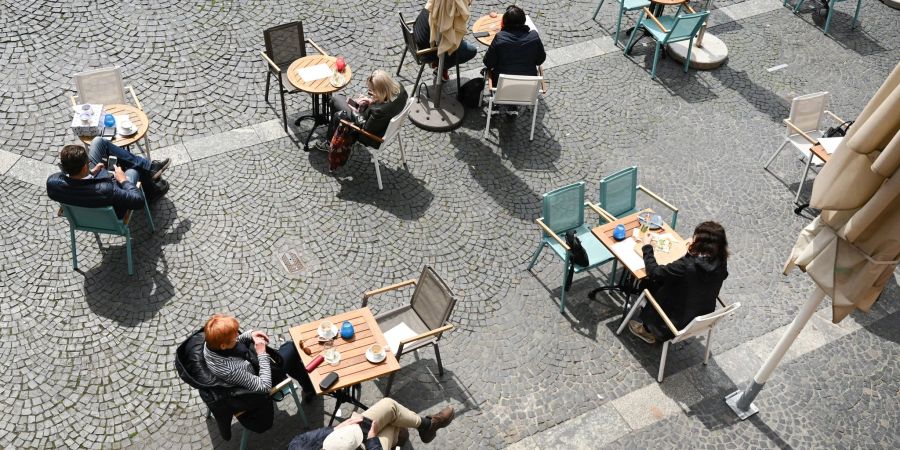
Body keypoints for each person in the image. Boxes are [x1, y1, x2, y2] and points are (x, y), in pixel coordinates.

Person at [628, 221, 730, 344]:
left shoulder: (686, 265)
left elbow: (654, 272)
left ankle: (647, 330)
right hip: (700, 316)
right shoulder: (721, 261)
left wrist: (647, 247)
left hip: (674, 320)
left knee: (646, 283)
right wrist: (690, 255)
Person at [202, 314, 316, 402]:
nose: (238, 335)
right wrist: (262, 354)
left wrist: (250, 334)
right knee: (290, 348)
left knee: (290, 356)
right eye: (235, 335)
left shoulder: (210, 345)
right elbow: (264, 387)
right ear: (223, 345)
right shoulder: (231, 370)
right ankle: (309, 388)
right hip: (259, 380)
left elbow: (233, 342)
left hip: (250, 364)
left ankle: (308, 388)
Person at [46, 138, 170, 218]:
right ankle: (151, 190)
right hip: (107, 208)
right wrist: (123, 180)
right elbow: (138, 201)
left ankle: (149, 167)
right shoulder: (107, 189)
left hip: (86, 189)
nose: (90, 162)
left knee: (98, 142)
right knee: (133, 170)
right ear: (84, 167)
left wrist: (91, 173)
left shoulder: (53, 184)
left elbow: (75, 183)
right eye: (88, 162)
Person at [287, 398, 455, 450]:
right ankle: (402, 436)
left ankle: (427, 425)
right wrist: (372, 440)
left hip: (342, 437)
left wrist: (336, 429)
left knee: (390, 407)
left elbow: (298, 441)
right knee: (392, 424)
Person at [321, 70, 409, 150]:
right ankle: (334, 128)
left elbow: (365, 129)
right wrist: (371, 101)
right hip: (385, 127)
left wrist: (354, 111)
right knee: (339, 101)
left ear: (381, 90)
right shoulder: (401, 89)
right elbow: (387, 102)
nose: (372, 93)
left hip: (371, 137)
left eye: (373, 91)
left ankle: (329, 142)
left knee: (335, 100)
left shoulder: (379, 111)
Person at [482, 5, 546, 88]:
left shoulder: (499, 38)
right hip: (528, 85)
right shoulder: (534, 37)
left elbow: (488, 63)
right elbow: (540, 60)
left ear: (504, 23)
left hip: (502, 86)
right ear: (524, 21)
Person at [413, 2, 478, 81]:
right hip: (427, 52)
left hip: (417, 38)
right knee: (471, 51)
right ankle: (439, 65)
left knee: (453, 41)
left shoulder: (437, 3)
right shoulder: (446, 14)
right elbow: (450, 42)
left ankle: (442, 68)